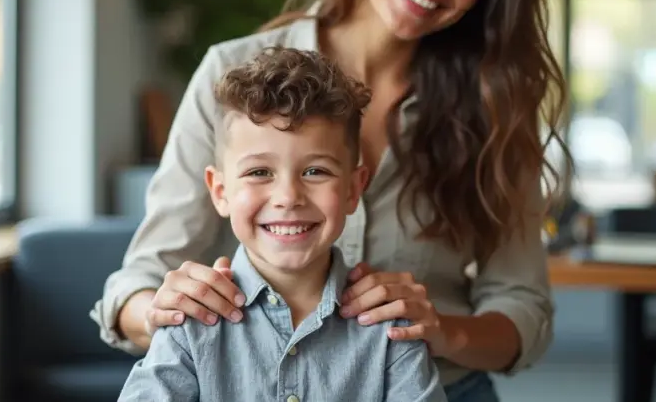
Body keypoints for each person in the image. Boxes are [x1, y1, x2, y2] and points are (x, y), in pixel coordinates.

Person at [91, 0, 568, 399]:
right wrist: (162, 312)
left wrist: (438, 329)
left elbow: (524, 311)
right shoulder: (232, 76)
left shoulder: (493, 110)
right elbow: (138, 281)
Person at [117, 47, 447, 402]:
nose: (288, 197)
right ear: (221, 191)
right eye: (260, 172)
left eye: (315, 171)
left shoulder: (391, 328)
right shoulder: (189, 322)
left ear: (353, 189)